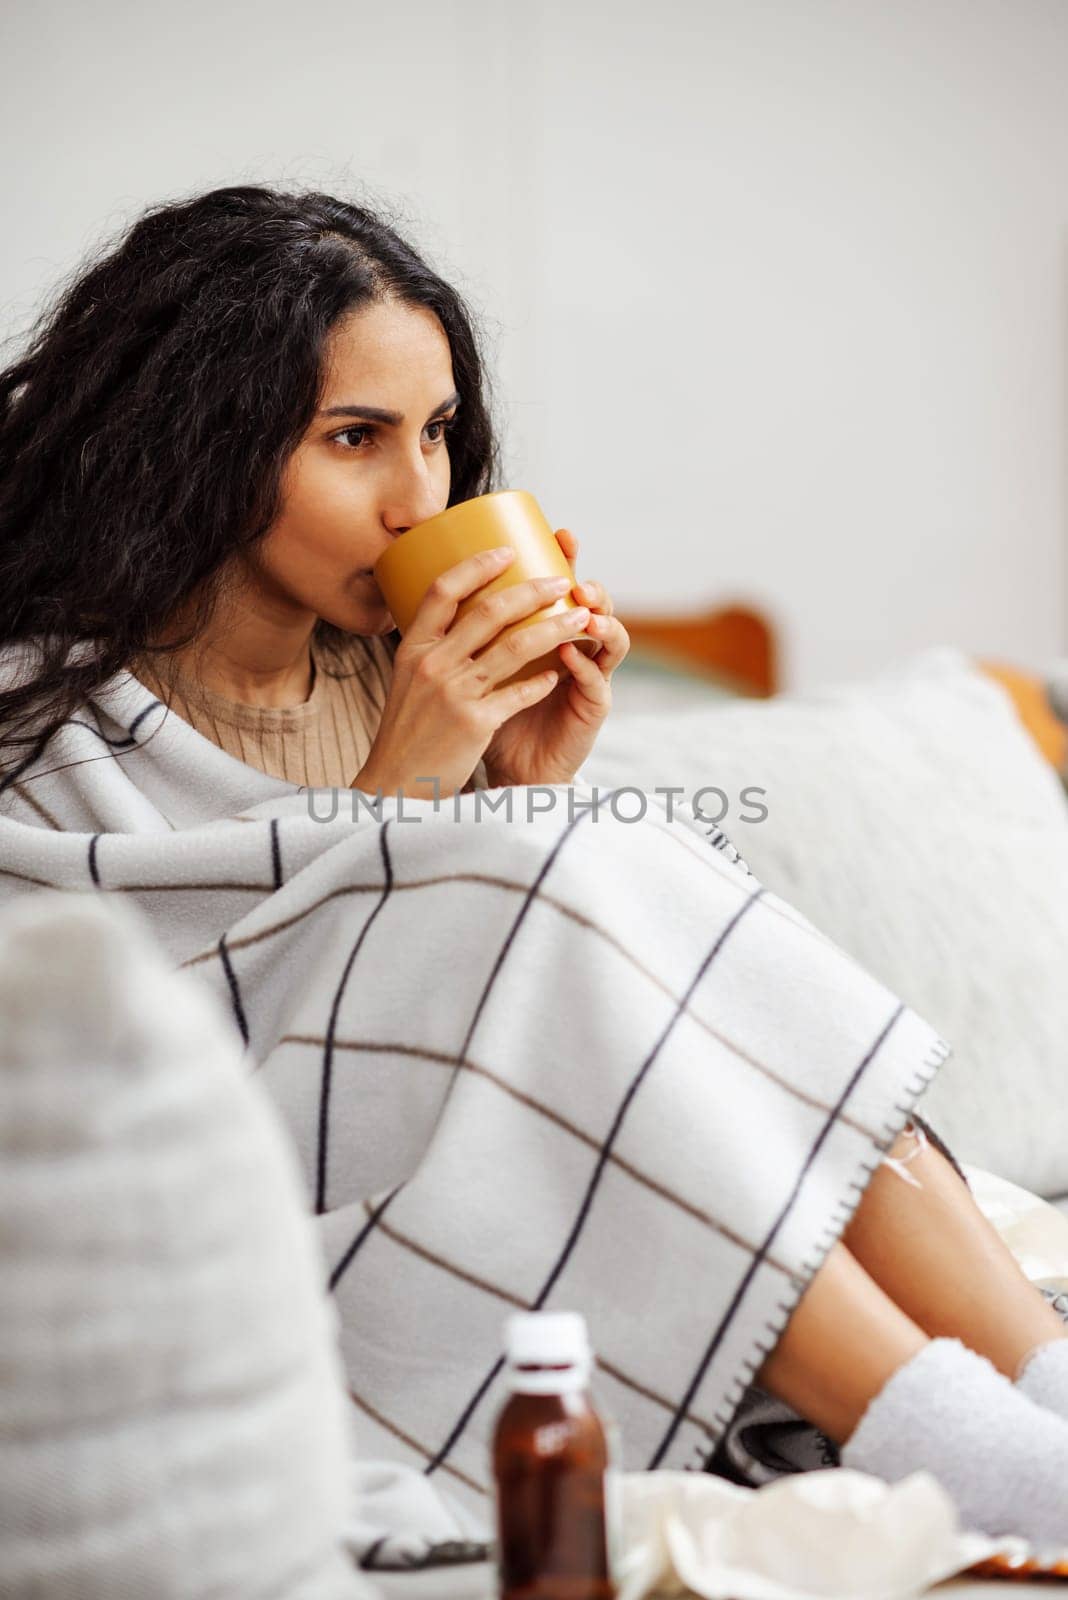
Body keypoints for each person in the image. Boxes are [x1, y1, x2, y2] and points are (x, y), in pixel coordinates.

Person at [1, 184, 1066, 1546]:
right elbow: (149, 1057)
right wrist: (425, 797)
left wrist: (519, 788)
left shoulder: (395, 669)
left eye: (436, 434)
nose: (417, 497)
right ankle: (961, 1442)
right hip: (271, 1192)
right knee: (529, 869)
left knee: (578, 852)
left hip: (501, 1137)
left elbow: (536, 974)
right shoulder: (47, 722)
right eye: (354, 439)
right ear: (203, 441)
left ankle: (1041, 1385)